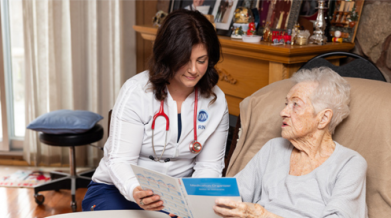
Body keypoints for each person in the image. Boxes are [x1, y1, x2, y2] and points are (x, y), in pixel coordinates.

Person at [82, 9, 229, 213]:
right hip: (118, 189)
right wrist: (135, 190)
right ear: (168, 55)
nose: (194, 70)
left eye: (201, 60)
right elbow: (120, 160)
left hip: (177, 196)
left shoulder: (216, 101)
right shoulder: (136, 92)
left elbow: (209, 167)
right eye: (185, 60)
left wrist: (193, 205)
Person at [213, 67, 368, 217]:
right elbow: (232, 196)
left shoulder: (349, 164)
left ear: (323, 118)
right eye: (286, 103)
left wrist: (263, 216)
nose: (283, 112)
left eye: (295, 104)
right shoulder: (273, 148)